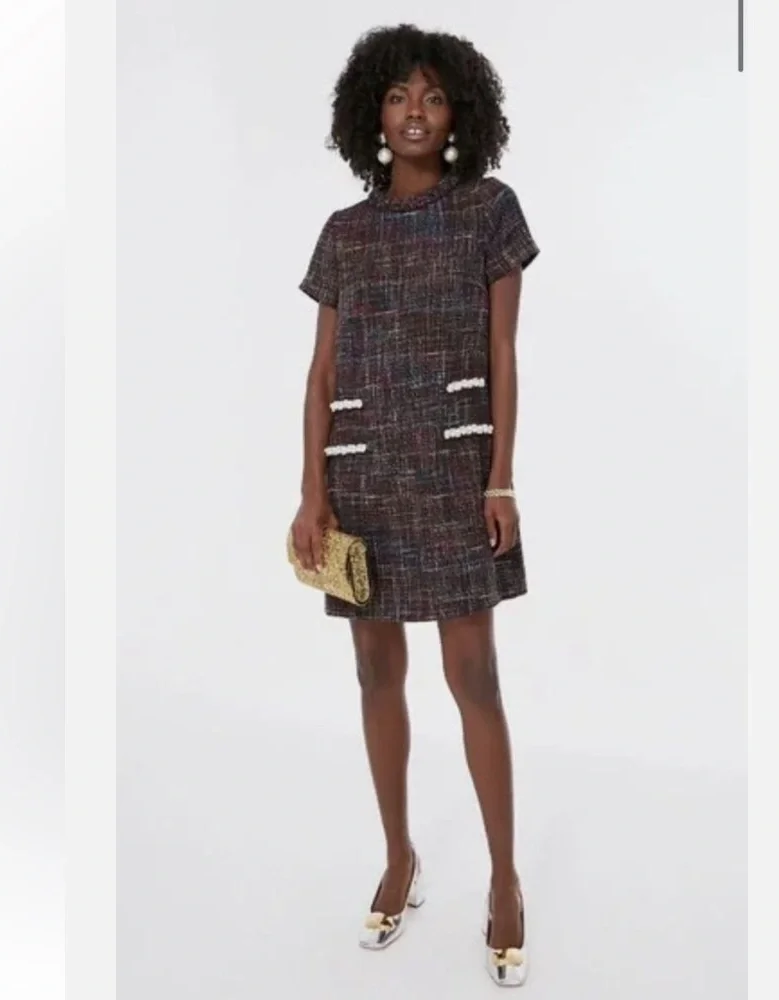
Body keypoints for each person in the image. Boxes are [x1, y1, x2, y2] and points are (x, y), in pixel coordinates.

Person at [290, 23, 539, 987]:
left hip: (453, 475)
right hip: (363, 477)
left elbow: (503, 354)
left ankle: (505, 881)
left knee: (475, 677)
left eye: (432, 97)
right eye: (397, 97)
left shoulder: (489, 211)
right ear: (372, 115)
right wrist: (312, 492)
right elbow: (320, 373)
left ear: (459, 112)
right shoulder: (344, 233)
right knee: (373, 673)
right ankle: (399, 859)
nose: (415, 114)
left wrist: (500, 477)